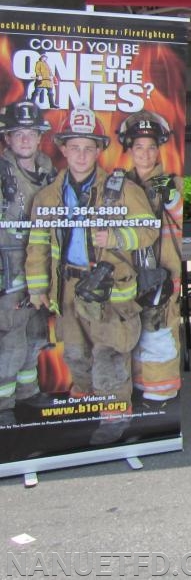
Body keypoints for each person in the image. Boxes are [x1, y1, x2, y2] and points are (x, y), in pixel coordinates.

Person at [25, 107, 159, 444]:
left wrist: (115, 239)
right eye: (75, 147)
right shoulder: (48, 196)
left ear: (99, 150)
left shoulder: (121, 189)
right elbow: (38, 244)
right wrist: (39, 287)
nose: (81, 154)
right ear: (63, 149)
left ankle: (114, 420)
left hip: (110, 291)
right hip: (68, 289)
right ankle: (86, 411)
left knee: (110, 354)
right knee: (75, 354)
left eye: (88, 147)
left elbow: (148, 230)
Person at [118, 110, 183, 411]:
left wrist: (169, 194)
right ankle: (142, 388)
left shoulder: (170, 184)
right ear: (129, 150)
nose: (146, 153)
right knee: (134, 334)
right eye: (139, 147)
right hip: (129, 274)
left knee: (159, 335)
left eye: (152, 147)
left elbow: (179, 214)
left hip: (162, 273)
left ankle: (161, 396)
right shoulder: (120, 185)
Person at [0, 102, 57, 426]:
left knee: (36, 332)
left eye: (30, 133)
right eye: (17, 133)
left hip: (44, 265)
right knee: (11, 335)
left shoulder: (48, 171)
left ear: (39, 138)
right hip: (10, 268)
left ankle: (27, 391)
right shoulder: (2, 173)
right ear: (7, 139)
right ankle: (4, 403)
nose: (24, 139)